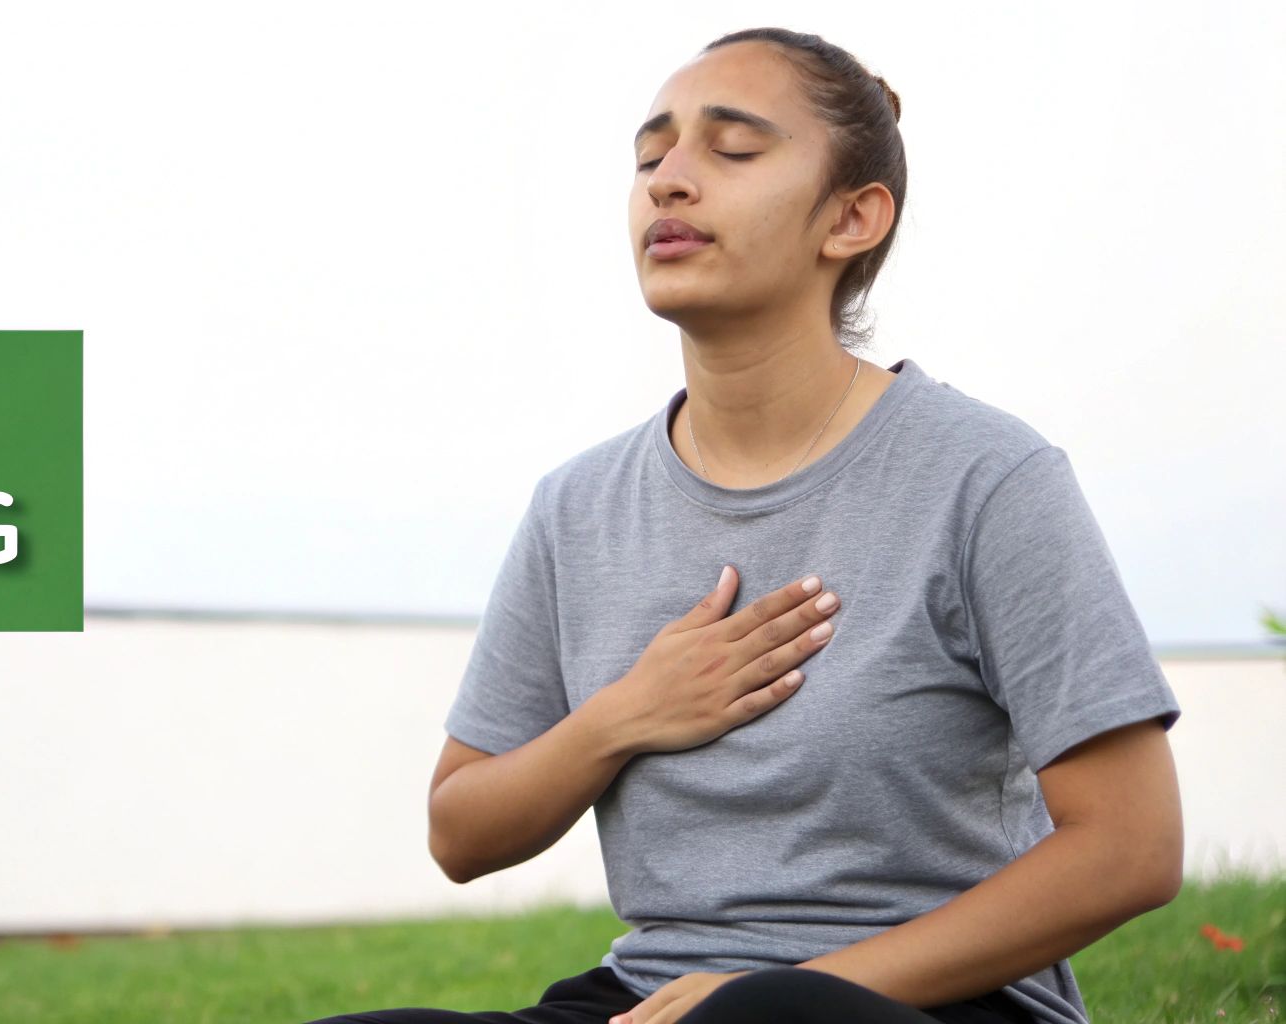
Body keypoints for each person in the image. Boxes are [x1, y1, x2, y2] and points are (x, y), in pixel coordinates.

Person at [303, 24, 1184, 1024]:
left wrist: (797, 989)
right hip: (652, 1000)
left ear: (850, 218)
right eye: (649, 156)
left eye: (730, 150)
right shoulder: (577, 506)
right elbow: (459, 831)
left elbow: (1129, 848)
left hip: (925, 1002)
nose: (667, 181)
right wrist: (625, 713)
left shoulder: (985, 475)